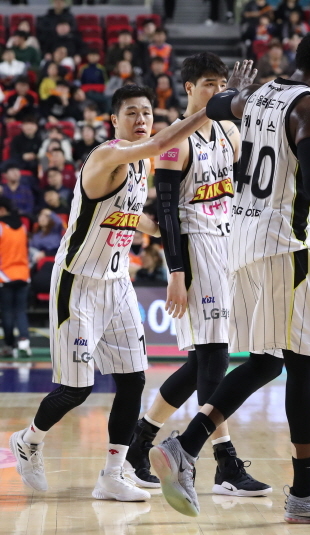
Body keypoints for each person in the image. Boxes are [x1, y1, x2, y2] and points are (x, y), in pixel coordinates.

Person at [149, 33, 310, 522]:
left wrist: (232, 93)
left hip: (242, 245)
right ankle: (305, 492)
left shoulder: (256, 95)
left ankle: (185, 446)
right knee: (305, 366)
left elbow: (217, 105)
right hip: (287, 247)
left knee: (265, 362)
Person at [8, 84, 213, 501]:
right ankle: (28, 441)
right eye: (132, 113)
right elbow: (159, 144)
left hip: (117, 285)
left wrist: (166, 228)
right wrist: (209, 111)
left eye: (147, 113)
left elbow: (131, 215)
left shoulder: (139, 165)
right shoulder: (107, 155)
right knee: (76, 389)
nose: (141, 120)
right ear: (114, 121)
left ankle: (112, 475)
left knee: (133, 381)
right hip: (78, 282)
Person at [126, 52, 269, 497]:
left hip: (228, 248)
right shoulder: (175, 141)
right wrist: (176, 272)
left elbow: (245, 187)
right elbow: (167, 214)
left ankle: (139, 443)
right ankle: (224, 463)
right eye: (209, 84)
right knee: (215, 357)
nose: (217, 91)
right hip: (196, 250)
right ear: (189, 88)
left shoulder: (228, 132)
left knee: (198, 364)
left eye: (222, 85)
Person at [0, 197, 31, 358]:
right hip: (23, 274)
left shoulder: (1, 226)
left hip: (5, 275)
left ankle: (9, 345)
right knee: (20, 311)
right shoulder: (22, 227)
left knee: (7, 312)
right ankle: (24, 342)